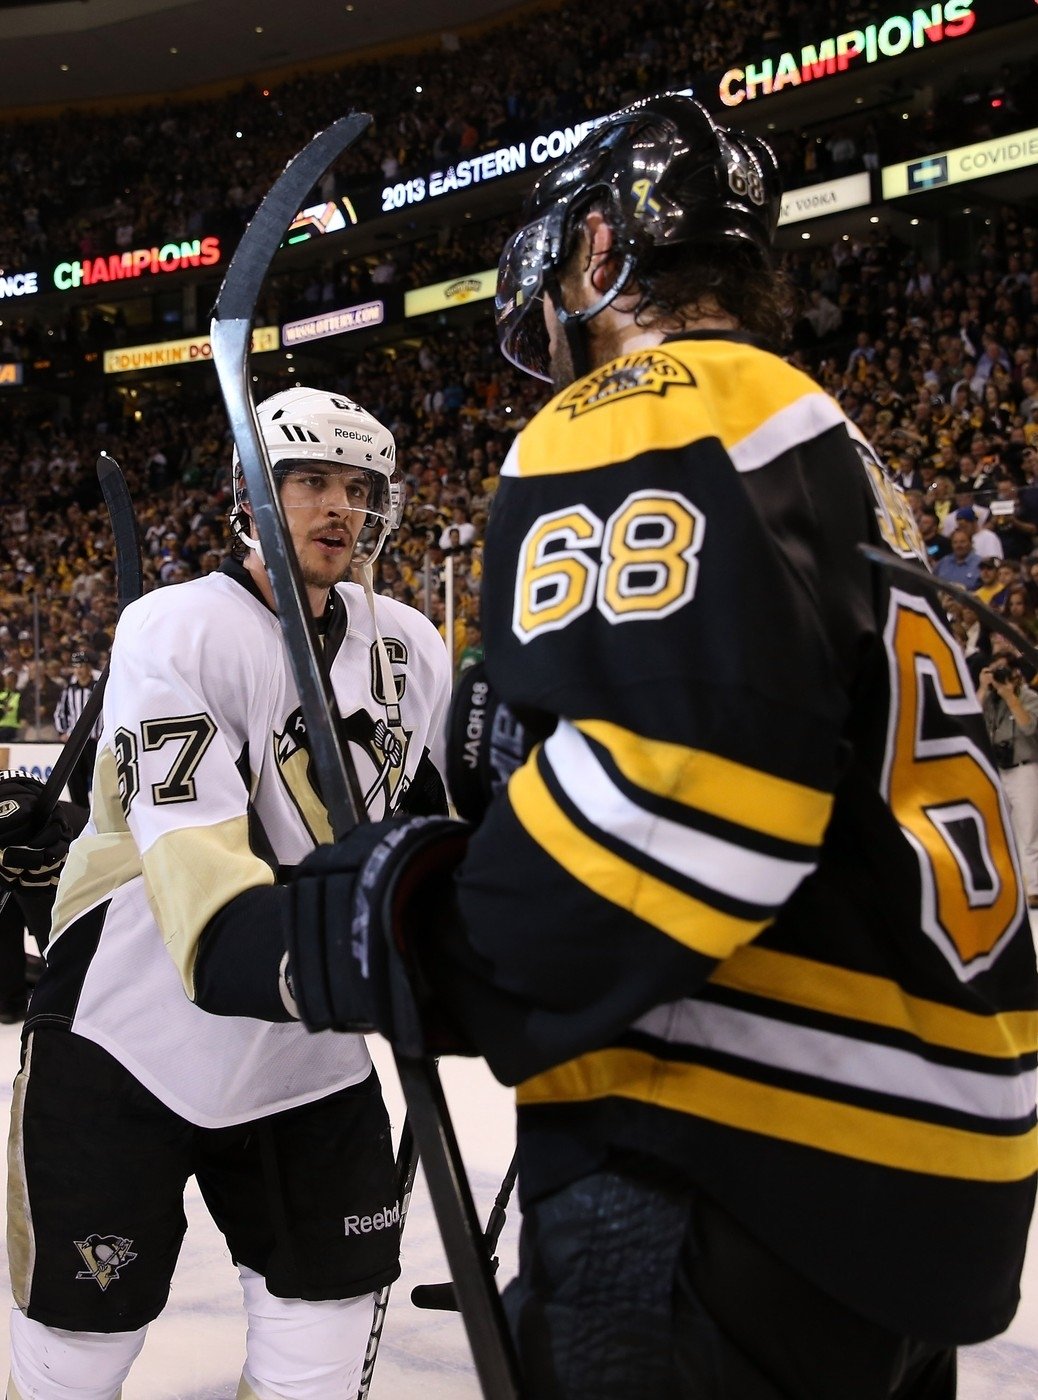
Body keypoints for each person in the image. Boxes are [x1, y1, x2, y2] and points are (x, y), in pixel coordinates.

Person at [255, 94, 1038, 1398]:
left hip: (735, 1158)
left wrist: (418, 938)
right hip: (914, 1177)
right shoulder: (836, 454)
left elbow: (672, 828)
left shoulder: (650, 410)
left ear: (603, 252)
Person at [2, 387, 452, 1400]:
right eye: (307, 481)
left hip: (308, 1060)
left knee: (319, 1367)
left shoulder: (409, 646)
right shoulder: (179, 626)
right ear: (251, 493)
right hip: (132, 1043)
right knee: (76, 1358)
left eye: (355, 486)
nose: (336, 506)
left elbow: (443, 823)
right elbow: (206, 889)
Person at [979, 645, 1038, 908]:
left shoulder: (1028, 696)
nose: (999, 675)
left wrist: (1010, 696)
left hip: (1025, 767)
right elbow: (968, 719)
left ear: (1015, 672)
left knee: (1029, 831)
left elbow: (1028, 726)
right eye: (995, 671)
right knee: (1001, 831)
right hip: (997, 769)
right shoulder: (989, 700)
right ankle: (1010, 887)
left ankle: (1035, 888)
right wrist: (983, 687)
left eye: (1003, 669)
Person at [53, 649, 100, 807]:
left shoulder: (98, 688)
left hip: (95, 742)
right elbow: (60, 713)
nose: (79, 670)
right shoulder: (69, 690)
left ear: (88, 668)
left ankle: (98, 815)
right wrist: (63, 732)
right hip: (76, 743)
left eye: (82, 666)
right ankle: (80, 814)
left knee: (98, 782)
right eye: (76, 666)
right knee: (75, 782)